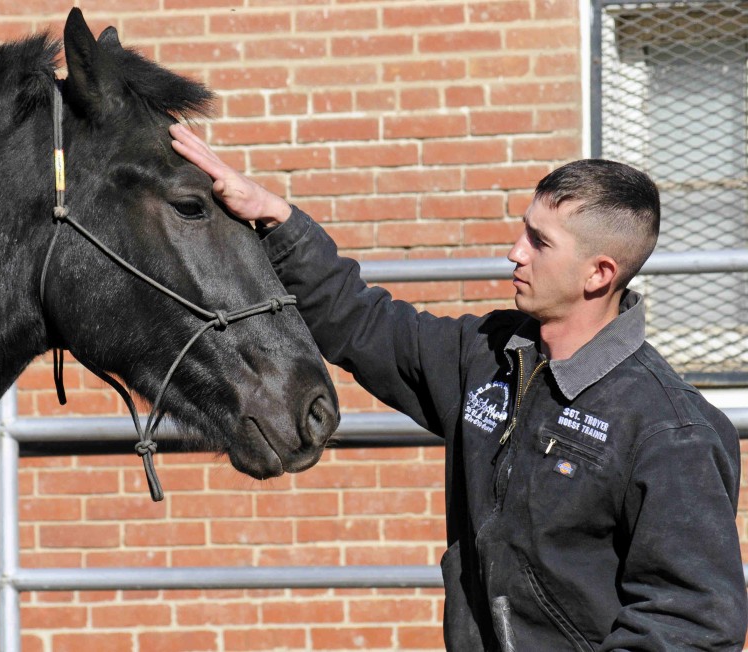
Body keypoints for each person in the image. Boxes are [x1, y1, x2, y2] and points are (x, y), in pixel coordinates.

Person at [170, 123, 748, 649]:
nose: (514, 252)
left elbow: (691, 625)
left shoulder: (671, 431)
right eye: (524, 231)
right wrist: (276, 218)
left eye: (539, 242)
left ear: (600, 273)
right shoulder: (489, 356)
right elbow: (361, 322)